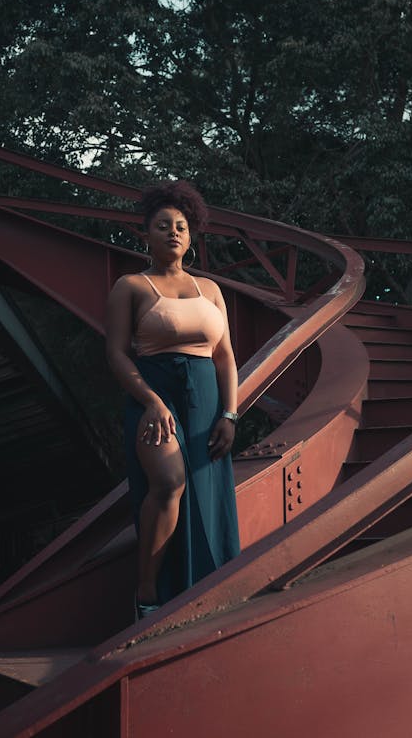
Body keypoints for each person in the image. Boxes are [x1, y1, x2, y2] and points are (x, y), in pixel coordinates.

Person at [105, 180, 240, 619]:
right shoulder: (131, 285)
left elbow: (225, 357)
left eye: (181, 226)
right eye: (162, 226)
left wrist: (230, 413)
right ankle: (147, 595)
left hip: (205, 400)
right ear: (145, 235)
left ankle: (207, 589)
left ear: (191, 234)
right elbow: (115, 354)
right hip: (154, 398)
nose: (173, 232)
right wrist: (151, 401)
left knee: (206, 492)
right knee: (168, 482)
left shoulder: (211, 290)